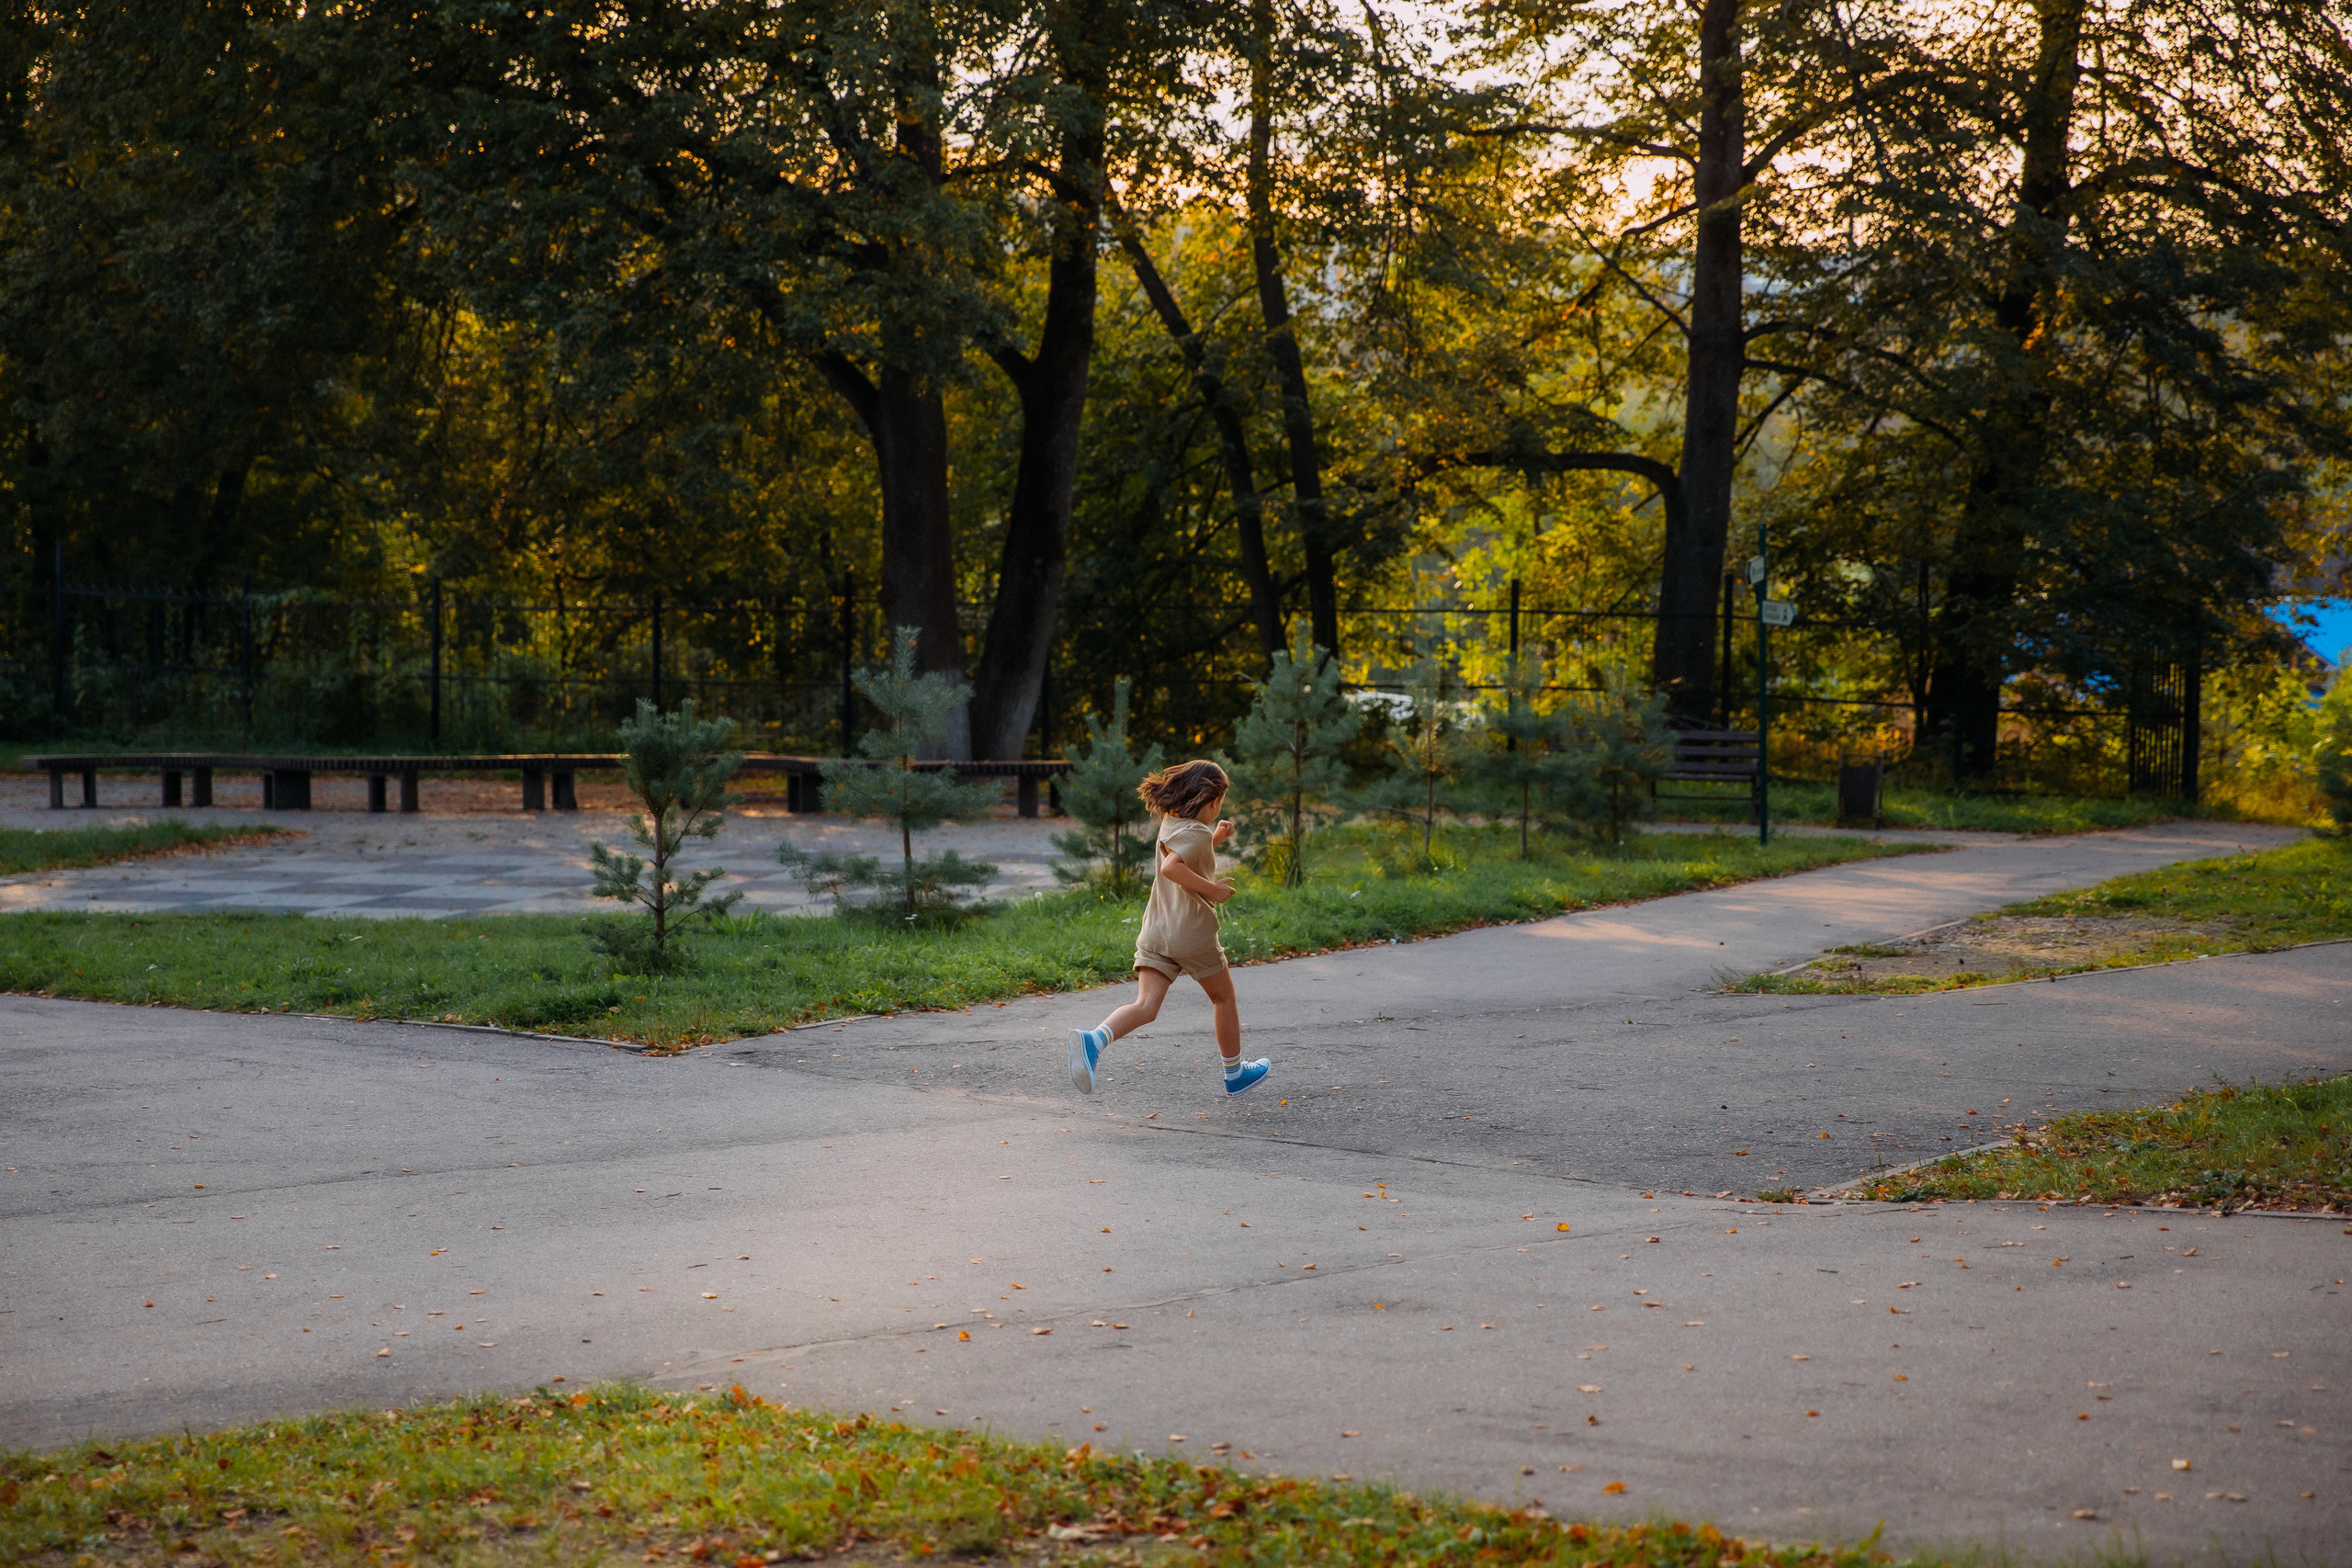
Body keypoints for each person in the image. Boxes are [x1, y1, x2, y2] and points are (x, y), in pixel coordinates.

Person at [1068, 759, 1271, 1098]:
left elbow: (1183, 852)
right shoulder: (1194, 831)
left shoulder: (1172, 822)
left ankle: (1093, 1041)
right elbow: (1173, 868)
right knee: (1224, 997)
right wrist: (1214, 890)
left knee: (1146, 1005)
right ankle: (1235, 1074)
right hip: (1189, 932)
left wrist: (1214, 837)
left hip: (1157, 929)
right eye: (1218, 804)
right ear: (1210, 801)